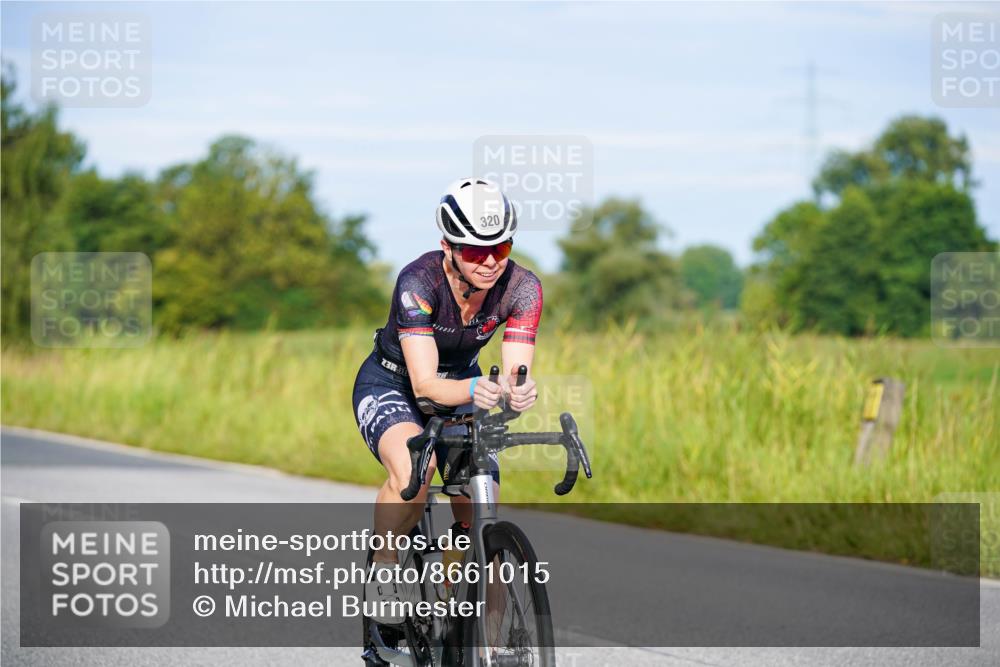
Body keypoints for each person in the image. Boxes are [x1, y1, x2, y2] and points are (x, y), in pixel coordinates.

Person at [353, 177, 542, 623]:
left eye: (502, 247)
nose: (491, 261)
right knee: (415, 474)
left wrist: (518, 390)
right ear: (448, 246)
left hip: (462, 380)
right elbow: (424, 386)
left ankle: (484, 630)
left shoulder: (524, 288)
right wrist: (479, 392)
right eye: (476, 251)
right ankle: (384, 566)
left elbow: (516, 368)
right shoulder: (417, 282)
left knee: (483, 503)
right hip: (394, 383)